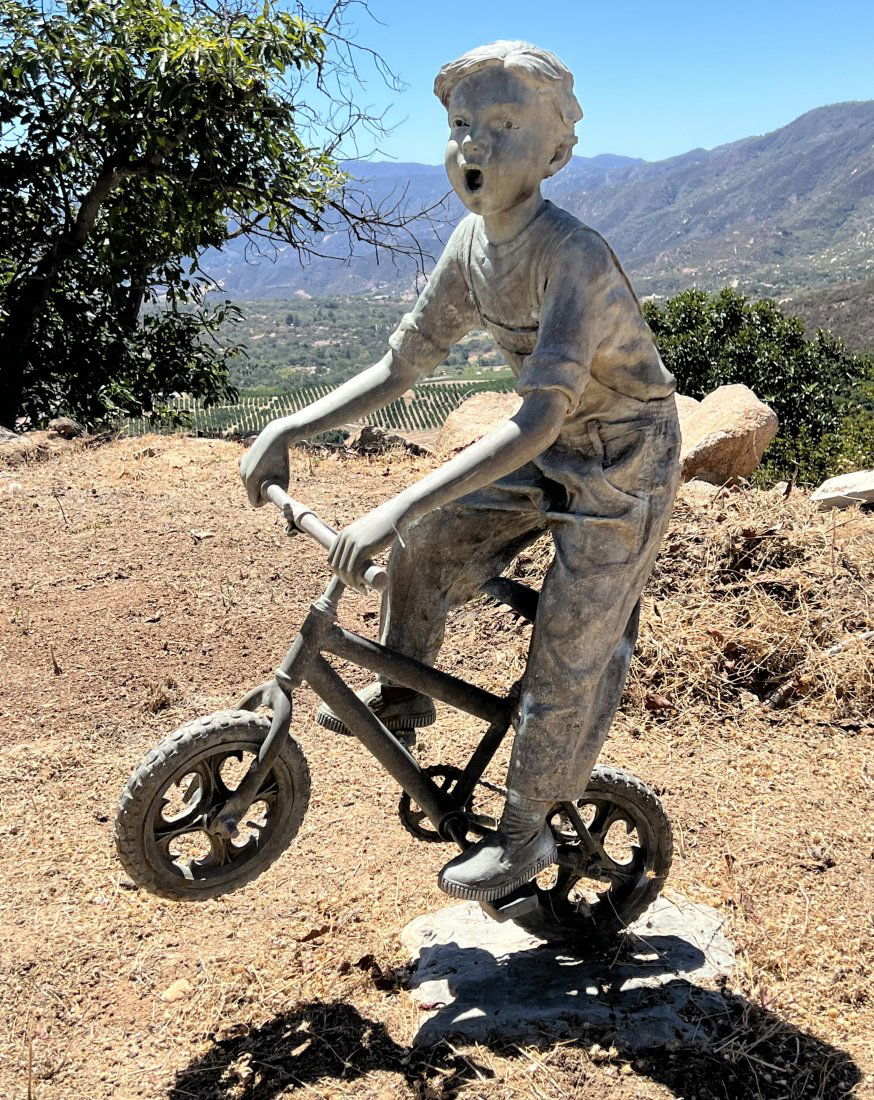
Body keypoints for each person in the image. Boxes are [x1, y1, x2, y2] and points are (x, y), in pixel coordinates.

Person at [240, 41, 681, 903]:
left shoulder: (573, 257)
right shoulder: (471, 244)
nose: (473, 145)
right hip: (551, 447)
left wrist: (392, 503)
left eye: (503, 125)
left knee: (567, 650)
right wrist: (288, 424)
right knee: (430, 543)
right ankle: (405, 692)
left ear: (556, 152)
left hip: (623, 459)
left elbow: (540, 414)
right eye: (459, 126)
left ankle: (524, 836)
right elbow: (402, 367)